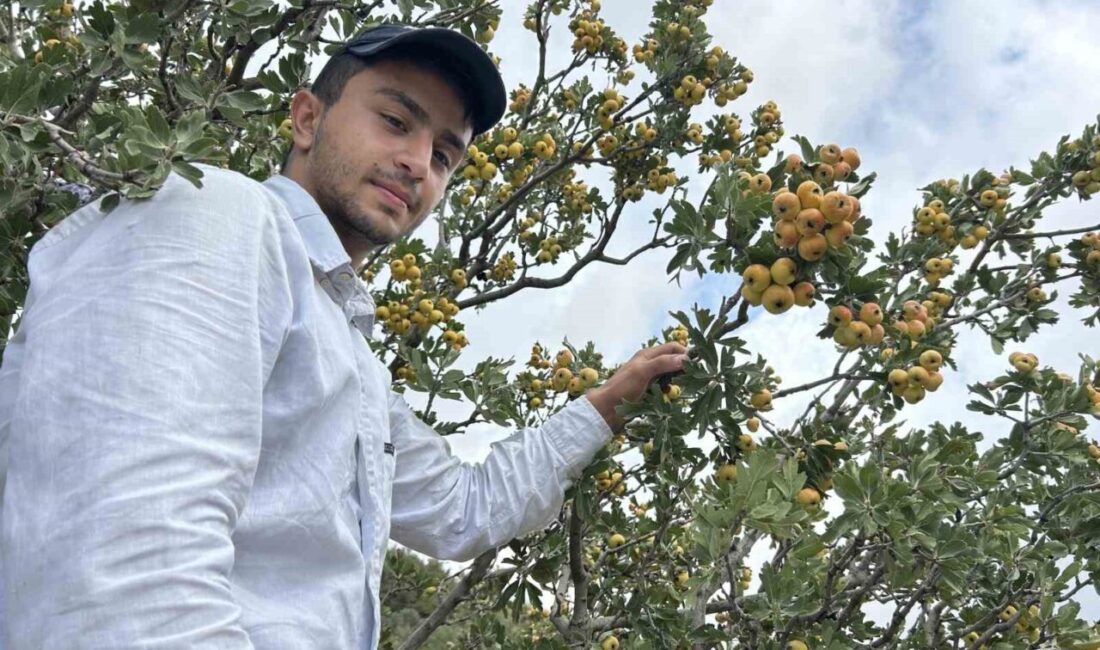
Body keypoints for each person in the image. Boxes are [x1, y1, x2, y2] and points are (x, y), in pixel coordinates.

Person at [0, 23, 688, 650]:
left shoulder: (348, 356)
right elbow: (121, 567)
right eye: (396, 120)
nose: (419, 162)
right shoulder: (217, 215)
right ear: (306, 118)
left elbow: (463, 508)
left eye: (446, 155)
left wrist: (603, 406)